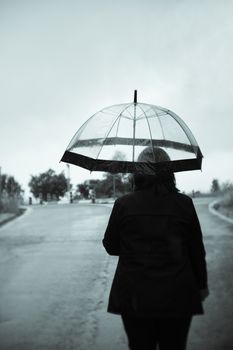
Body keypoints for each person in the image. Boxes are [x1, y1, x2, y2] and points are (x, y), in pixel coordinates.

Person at [102, 147, 209, 350]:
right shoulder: (184, 204)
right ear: (170, 172)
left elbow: (111, 246)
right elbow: (196, 249)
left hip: (134, 297)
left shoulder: (124, 204)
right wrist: (201, 284)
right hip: (178, 295)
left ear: (138, 172)